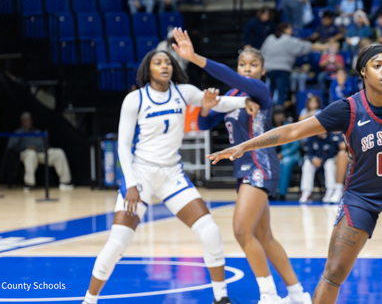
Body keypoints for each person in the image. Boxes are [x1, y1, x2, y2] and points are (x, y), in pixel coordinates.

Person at [209, 43, 382, 304]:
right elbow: (293, 130)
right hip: (361, 199)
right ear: (364, 71)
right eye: (378, 65)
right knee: (334, 271)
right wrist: (244, 145)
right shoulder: (348, 108)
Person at [81, 50, 257, 304]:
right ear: (147, 69)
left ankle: (221, 299)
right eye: (158, 62)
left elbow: (216, 102)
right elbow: (123, 145)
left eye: (168, 62)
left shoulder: (183, 92)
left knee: (210, 232)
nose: (164, 66)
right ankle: (89, 300)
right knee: (119, 241)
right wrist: (130, 184)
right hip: (141, 173)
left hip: (172, 173)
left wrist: (244, 103)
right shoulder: (135, 99)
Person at [171, 31, 312, 304]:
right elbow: (204, 124)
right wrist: (205, 108)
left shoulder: (260, 91)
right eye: (243, 65)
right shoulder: (233, 97)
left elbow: (229, 76)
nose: (247, 69)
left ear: (263, 70)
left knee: (240, 231)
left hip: (260, 165)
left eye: (253, 65)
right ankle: (298, 294)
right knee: (264, 237)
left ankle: (270, 296)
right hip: (244, 170)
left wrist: (195, 58)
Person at [261, 23, 328, 106]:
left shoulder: (270, 38)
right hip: (282, 70)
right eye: (290, 28)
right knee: (280, 94)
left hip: (268, 70)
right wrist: (323, 47)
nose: (291, 30)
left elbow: (261, 53)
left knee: (269, 93)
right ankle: (278, 114)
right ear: (286, 30)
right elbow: (304, 46)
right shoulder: (288, 40)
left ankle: (268, 112)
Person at [7, 112, 73, 192]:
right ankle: (29, 184)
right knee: (30, 154)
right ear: (22, 122)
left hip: (41, 153)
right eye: (26, 121)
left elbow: (46, 143)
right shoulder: (18, 132)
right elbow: (11, 146)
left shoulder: (37, 131)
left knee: (59, 152)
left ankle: (65, 182)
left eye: (29, 120)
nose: (28, 122)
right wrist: (26, 147)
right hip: (27, 153)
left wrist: (46, 147)